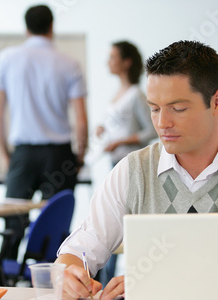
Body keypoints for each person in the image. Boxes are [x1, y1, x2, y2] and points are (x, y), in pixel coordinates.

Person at [56, 40, 218, 300]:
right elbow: (81, 248)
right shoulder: (133, 170)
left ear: (216, 102)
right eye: (154, 109)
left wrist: (159, 283)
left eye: (178, 108)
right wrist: (67, 275)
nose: (163, 123)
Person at [0, 5, 88, 260]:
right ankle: (51, 286)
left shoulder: (7, 58)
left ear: (26, 28)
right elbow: (81, 119)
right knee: (55, 229)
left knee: (12, 228)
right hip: (59, 154)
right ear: (51, 27)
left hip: (22, 153)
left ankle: (6, 285)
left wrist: (5, 154)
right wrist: (80, 155)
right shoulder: (70, 63)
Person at [94, 41, 157, 285]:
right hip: (114, 162)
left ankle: (117, 280)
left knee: (121, 223)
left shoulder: (136, 95)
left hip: (129, 164)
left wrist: (122, 141)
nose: (108, 62)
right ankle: (106, 279)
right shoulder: (117, 94)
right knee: (110, 221)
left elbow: (151, 130)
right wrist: (103, 129)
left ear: (126, 61)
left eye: (113, 57)